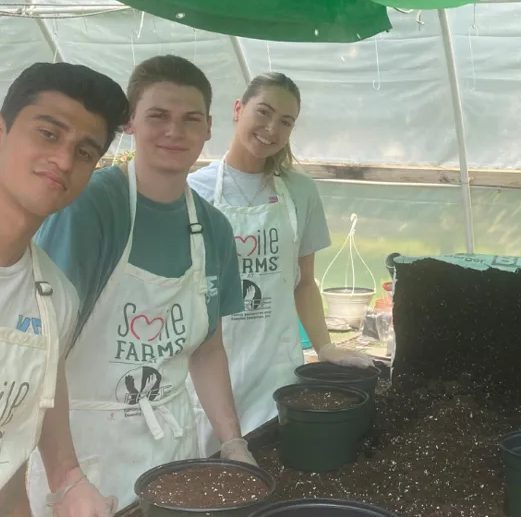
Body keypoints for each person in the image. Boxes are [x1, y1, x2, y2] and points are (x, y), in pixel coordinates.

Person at [28, 55, 256, 513]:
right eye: (158, 116)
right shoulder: (90, 208)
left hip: (171, 450)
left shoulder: (211, 228)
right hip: (83, 449)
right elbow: (41, 348)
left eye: (190, 119)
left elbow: (208, 348)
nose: (175, 132)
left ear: (209, 127)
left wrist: (232, 442)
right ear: (130, 123)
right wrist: (67, 478)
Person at [188, 72, 372, 456]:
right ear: (238, 110)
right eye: (264, 112)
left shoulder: (300, 191)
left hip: (276, 365)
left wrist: (324, 346)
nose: (272, 129)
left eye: (286, 121)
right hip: (208, 364)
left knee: (273, 465)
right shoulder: (194, 191)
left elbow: (304, 282)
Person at [0, 63, 127, 516]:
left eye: (85, 150)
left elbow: (10, 467)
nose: (64, 160)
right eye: (48, 134)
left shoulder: (52, 296)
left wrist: (71, 483)